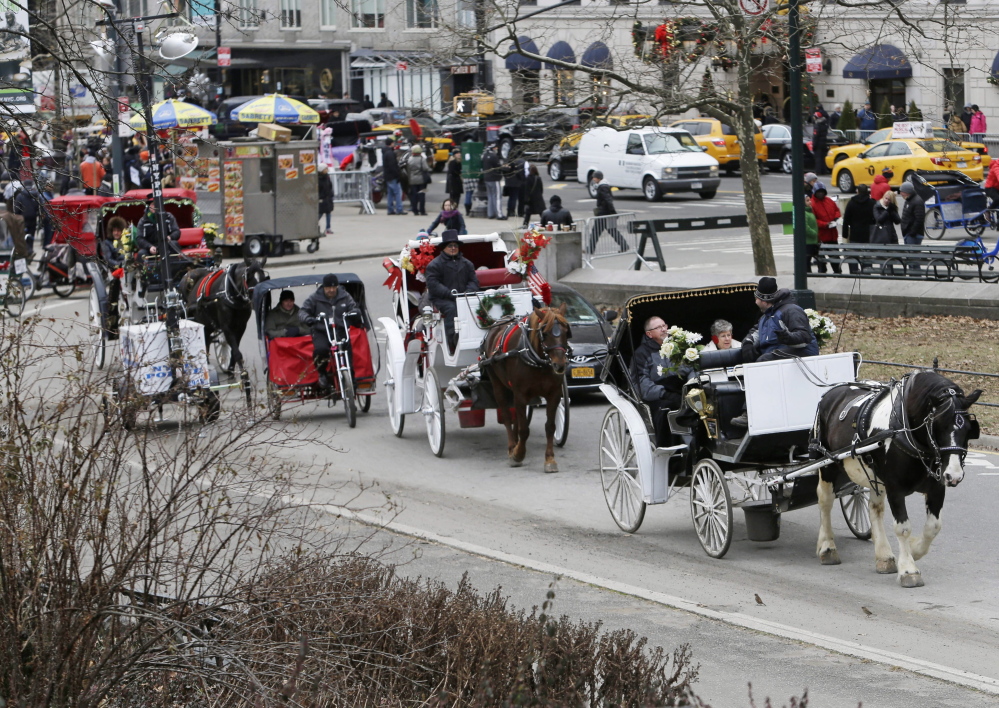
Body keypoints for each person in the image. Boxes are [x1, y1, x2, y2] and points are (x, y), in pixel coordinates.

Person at [630, 315, 692, 440]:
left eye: (664, 325)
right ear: (649, 334)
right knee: (668, 407)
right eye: (659, 327)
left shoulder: (678, 346)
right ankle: (673, 449)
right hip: (658, 395)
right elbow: (641, 382)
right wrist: (664, 393)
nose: (664, 329)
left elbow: (691, 368)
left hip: (682, 389)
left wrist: (692, 385)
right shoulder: (641, 353)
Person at [299, 274, 360, 390]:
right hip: (322, 331)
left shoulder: (345, 296)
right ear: (324, 287)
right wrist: (308, 318)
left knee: (347, 350)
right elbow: (303, 311)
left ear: (337, 286)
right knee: (321, 350)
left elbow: (353, 307)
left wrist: (355, 312)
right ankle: (322, 373)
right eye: (328, 288)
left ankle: (351, 379)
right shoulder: (315, 298)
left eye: (334, 287)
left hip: (340, 330)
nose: (331, 290)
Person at [424, 229, 479, 350]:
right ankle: (453, 340)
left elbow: (473, 281)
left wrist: (468, 292)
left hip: (464, 297)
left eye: (455, 245)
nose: (453, 248)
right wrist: (450, 294)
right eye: (450, 245)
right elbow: (433, 285)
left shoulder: (467, 263)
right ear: (444, 247)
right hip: (442, 299)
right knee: (452, 309)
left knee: (476, 306)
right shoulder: (434, 265)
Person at [589, 171, 629, 253]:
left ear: (598, 178)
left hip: (603, 213)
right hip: (607, 213)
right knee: (612, 231)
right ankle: (624, 245)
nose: (593, 179)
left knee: (595, 232)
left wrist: (613, 212)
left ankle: (590, 249)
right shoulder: (605, 186)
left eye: (594, 177)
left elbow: (608, 200)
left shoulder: (602, 187)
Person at [842, 184, 875, 273]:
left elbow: (846, 220)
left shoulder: (851, 203)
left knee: (853, 254)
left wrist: (845, 234)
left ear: (858, 191)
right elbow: (875, 218)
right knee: (867, 255)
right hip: (867, 234)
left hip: (855, 233)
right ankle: (867, 271)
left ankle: (854, 271)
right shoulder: (871, 203)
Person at [810, 186, 841, 274]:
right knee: (821, 259)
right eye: (818, 192)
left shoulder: (829, 200)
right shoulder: (813, 204)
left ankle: (837, 272)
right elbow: (814, 220)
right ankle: (822, 271)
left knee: (835, 257)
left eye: (822, 192)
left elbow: (836, 210)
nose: (821, 193)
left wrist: (836, 218)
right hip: (821, 236)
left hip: (832, 234)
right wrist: (825, 224)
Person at [14, 180, 45, 253]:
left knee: (23, 235)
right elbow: (41, 207)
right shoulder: (37, 195)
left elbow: (17, 208)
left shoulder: (20, 195)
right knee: (31, 234)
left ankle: (25, 250)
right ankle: (30, 249)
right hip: (33, 218)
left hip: (22, 219)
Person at [405, 144, 430, 217]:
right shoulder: (422, 159)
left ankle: (415, 210)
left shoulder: (409, 159)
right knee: (422, 195)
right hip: (422, 180)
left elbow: (408, 170)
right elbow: (426, 168)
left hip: (412, 180)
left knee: (414, 196)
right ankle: (422, 211)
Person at [898, 181, 925, 248]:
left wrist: (912, 232)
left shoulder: (917, 201)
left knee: (912, 255)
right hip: (908, 234)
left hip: (913, 235)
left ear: (907, 192)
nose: (900, 193)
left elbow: (919, 219)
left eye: (902, 191)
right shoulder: (909, 200)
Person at [382, 137, 404, 215]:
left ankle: (390, 209)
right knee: (398, 193)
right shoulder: (390, 153)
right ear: (391, 144)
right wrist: (397, 175)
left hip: (387, 176)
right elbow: (393, 166)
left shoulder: (385, 152)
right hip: (393, 176)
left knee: (390, 193)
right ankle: (399, 209)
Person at [481, 145, 503, 219]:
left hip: (487, 178)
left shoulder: (484, 155)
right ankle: (499, 214)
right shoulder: (494, 156)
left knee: (490, 196)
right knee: (497, 197)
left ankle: (490, 213)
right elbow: (498, 166)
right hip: (494, 178)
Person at [800, 199, 820, 273]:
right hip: (808, 241)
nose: (810, 202)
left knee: (818, 259)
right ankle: (808, 274)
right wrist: (814, 233)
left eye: (809, 200)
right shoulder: (804, 213)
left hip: (813, 241)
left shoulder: (810, 212)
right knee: (807, 260)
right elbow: (805, 227)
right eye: (807, 201)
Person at [811, 110, 829, 176]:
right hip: (824, 143)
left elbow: (816, 136)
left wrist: (814, 145)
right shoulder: (824, 124)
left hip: (818, 144)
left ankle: (818, 171)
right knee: (823, 158)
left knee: (818, 158)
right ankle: (823, 170)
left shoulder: (817, 125)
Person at [318, 162, 334, 235]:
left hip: (328, 198)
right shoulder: (319, 179)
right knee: (320, 213)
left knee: (328, 212)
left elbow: (330, 186)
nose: (327, 170)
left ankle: (328, 227)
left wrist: (331, 194)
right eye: (325, 168)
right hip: (322, 198)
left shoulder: (327, 177)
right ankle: (312, 224)